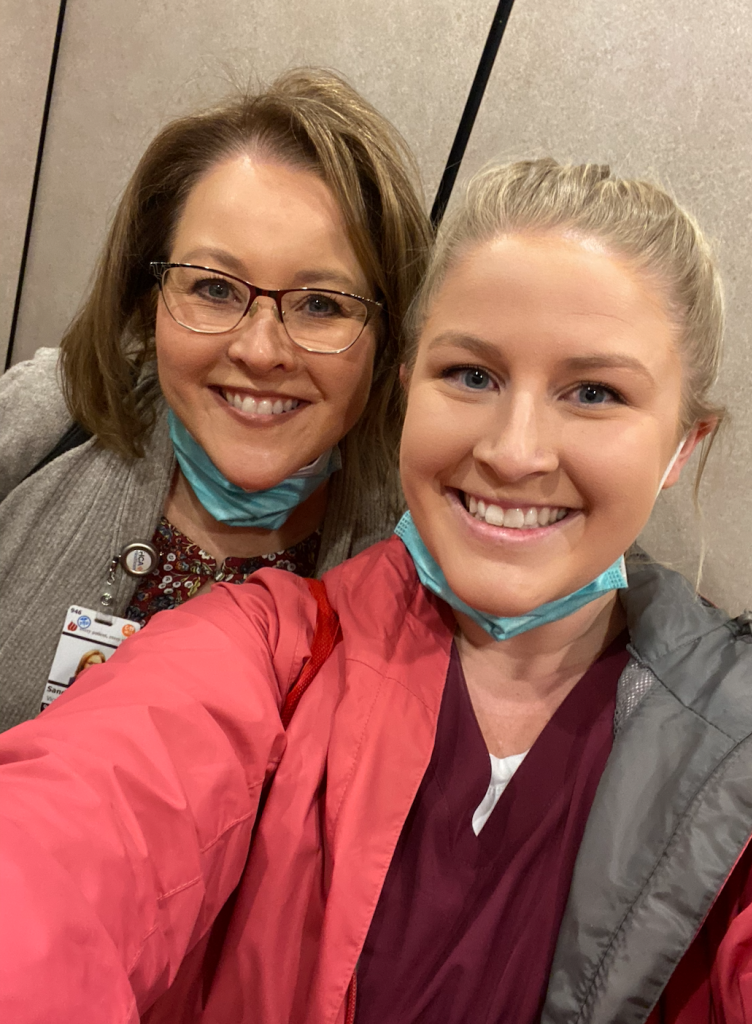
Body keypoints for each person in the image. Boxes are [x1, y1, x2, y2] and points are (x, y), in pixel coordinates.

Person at [2, 158, 752, 1024]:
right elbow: (71, 843)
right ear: (407, 387)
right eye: (471, 376)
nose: (515, 451)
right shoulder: (262, 646)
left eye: (593, 393)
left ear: (682, 444)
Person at [0, 67, 431, 731]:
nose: (261, 352)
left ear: (384, 336)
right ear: (150, 301)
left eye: (321, 304)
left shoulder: (426, 541)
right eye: (214, 289)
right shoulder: (42, 421)